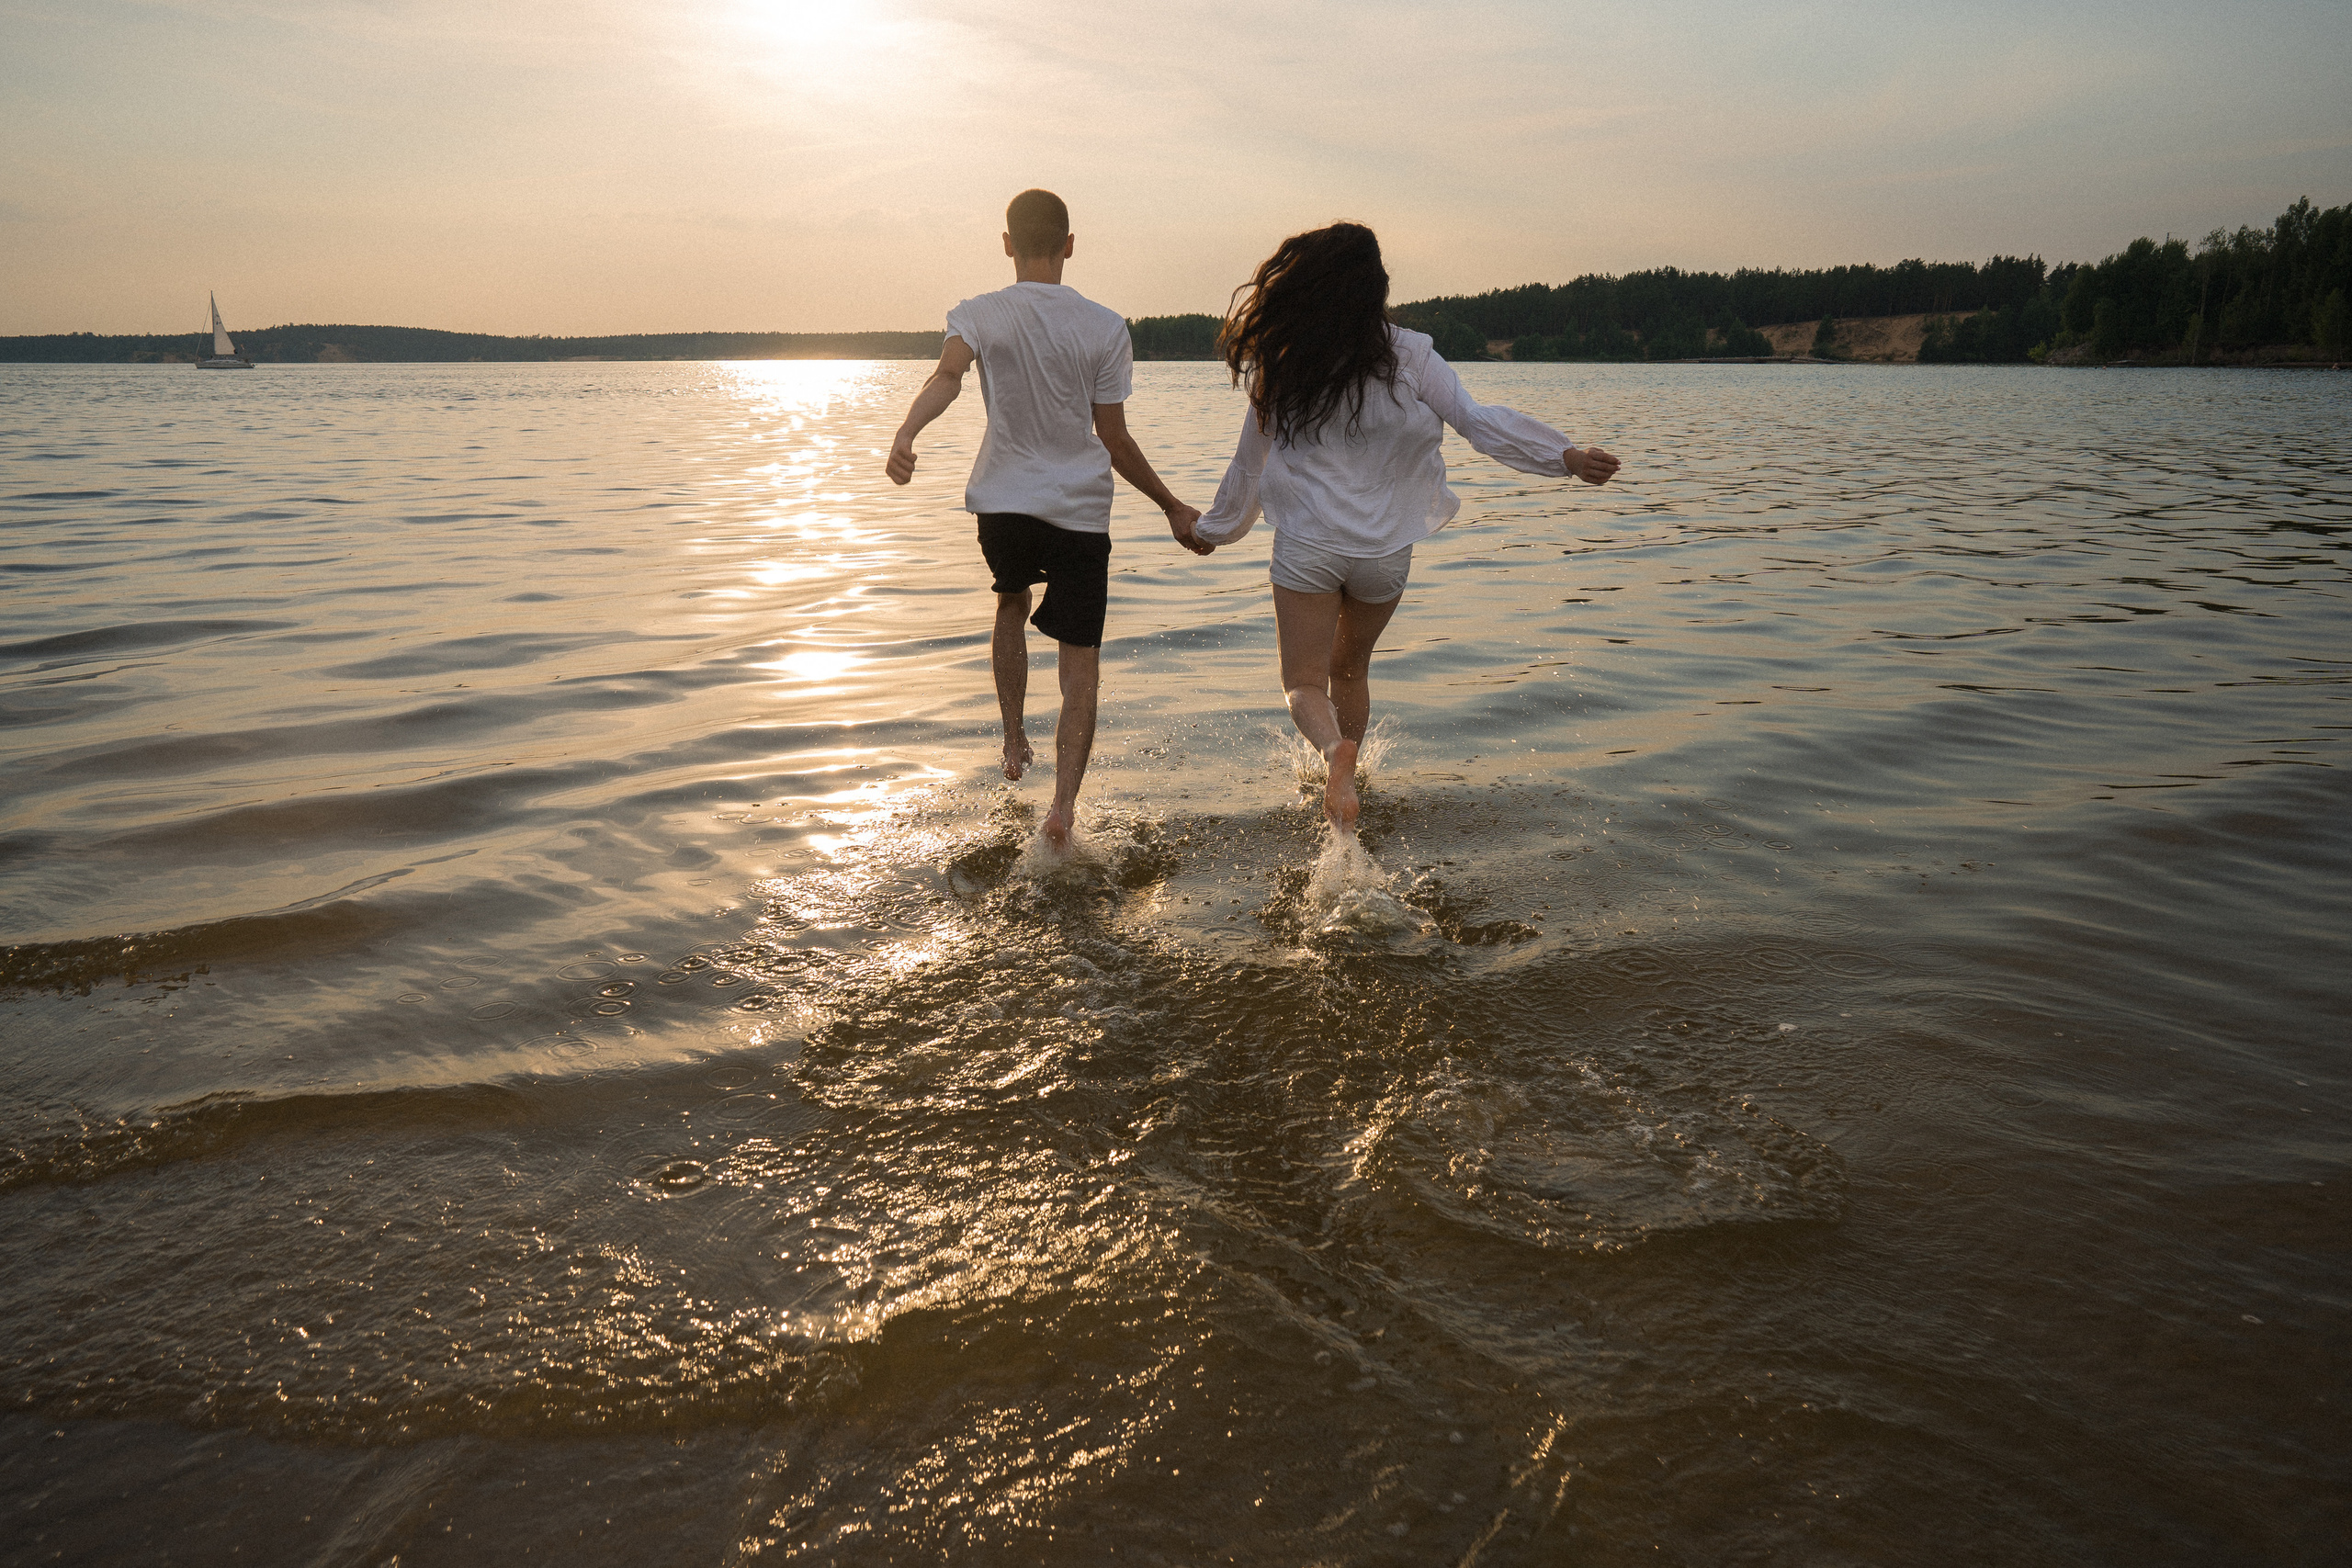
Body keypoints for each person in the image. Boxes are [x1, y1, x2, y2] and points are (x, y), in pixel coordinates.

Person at [1193, 221, 1620, 831]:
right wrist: (1566, 457)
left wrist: (1211, 530)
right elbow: (1480, 422)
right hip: (1384, 554)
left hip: (1309, 547)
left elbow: (1248, 467)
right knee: (1351, 670)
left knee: (1304, 682)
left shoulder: (1286, 359)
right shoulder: (1412, 355)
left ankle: (1332, 755)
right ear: (1375, 291)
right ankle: (1351, 782)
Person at [887, 188, 1207, 851]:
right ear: (1069, 243)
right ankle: (1062, 807)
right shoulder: (1104, 325)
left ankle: (1012, 737)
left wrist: (905, 433)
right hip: (1080, 512)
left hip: (1002, 503)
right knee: (1080, 660)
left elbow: (947, 376)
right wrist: (1173, 506)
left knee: (1010, 602)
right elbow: (1113, 438)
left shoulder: (977, 313)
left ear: (1007, 243)